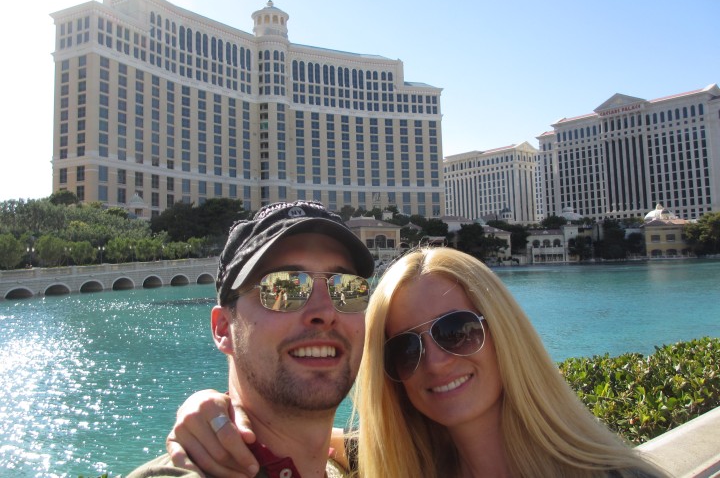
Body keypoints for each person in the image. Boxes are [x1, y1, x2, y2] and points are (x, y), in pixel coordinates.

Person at [166, 246, 666, 477]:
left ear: (504, 332)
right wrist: (219, 411)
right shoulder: (394, 467)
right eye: (404, 350)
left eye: (457, 331)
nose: (436, 362)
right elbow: (307, 443)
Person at [127, 200, 375, 478]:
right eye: (283, 288)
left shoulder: (361, 466)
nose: (326, 312)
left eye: (347, 289)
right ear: (223, 329)